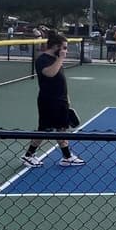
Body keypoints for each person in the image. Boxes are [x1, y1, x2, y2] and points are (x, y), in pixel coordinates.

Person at [20, 31, 85, 168]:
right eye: (64, 47)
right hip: (49, 100)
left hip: (60, 100)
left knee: (61, 128)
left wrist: (67, 98)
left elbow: (60, 81)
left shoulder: (56, 60)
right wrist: (60, 59)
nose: (66, 51)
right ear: (56, 47)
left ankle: (66, 157)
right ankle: (29, 156)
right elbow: (49, 74)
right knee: (45, 129)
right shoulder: (43, 59)